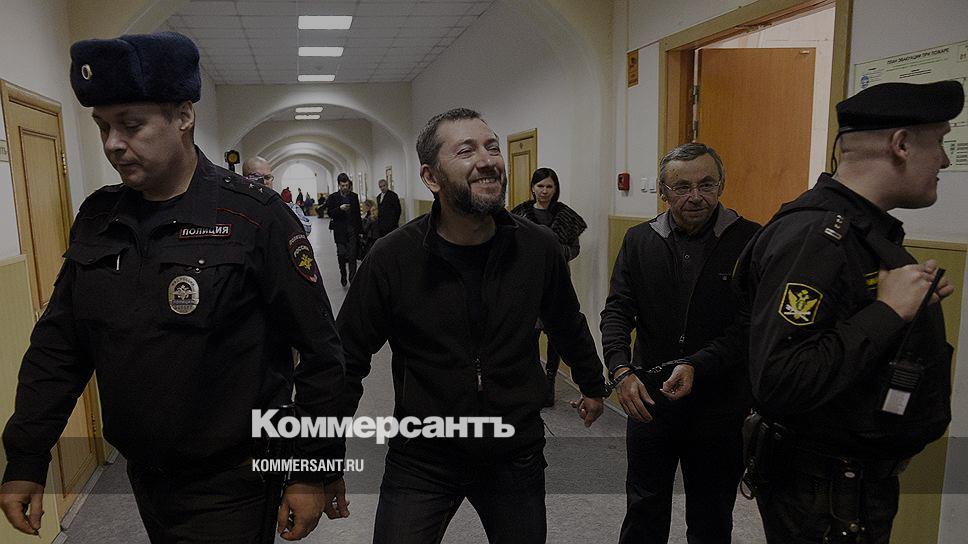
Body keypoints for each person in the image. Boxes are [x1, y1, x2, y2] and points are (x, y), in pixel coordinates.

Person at [0, 32, 349, 543]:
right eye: (103, 126)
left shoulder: (254, 217)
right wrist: (26, 456)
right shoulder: (99, 218)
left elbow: (322, 357)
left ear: (184, 116)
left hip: (234, 480)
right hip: (145, 476)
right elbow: (60, 347)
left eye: (131, 125)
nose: (113, 143)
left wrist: (310, 469)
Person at [337, 107, 608, 544]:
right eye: (466, 151)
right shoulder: (393, 258)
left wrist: (593, 383)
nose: (487, 160)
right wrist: (319, 463)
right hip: (422, 456)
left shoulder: (537, 247)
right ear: (431, 177)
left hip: (513, 452)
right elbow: (345, 359)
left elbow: (566, 320)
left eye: (492, 147)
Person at [740, 80, 962, 543]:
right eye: (939, 141)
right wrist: (888, 312)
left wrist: (907, 312)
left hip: (851, 486)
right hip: (827, 494)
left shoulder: (861, 230)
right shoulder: (817, 236)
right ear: (901, 144)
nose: (944, 160)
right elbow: (781, 379)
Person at [600, 143, 760, 543]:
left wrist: (697, 364)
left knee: (712, 518)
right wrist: (620, 370)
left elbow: (749, 326)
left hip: (719, 404)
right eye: (682, 187)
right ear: (662, 191)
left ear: (721, 185)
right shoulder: (639, 240)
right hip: (650, 401)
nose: (696, 196)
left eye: (707, 184)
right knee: (644, 510)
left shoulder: (750, 240)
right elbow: (617, 311)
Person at [511, 167, 588, 407]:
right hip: (530, 283)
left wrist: (556, 252)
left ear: (555, 189)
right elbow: (511, 247)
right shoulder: (519, 215)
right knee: (530, 333)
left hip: (558, 281)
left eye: (549, 186)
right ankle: (534, 379)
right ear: (533, 188)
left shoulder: (566, 216)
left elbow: (574, 249)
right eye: (540, 186)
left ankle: (550, 380)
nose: (544, 191)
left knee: (556, 333)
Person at [242, 155, 312, 234]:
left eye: (267, 177)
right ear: (244, 179)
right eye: (256, 177)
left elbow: (305, 229)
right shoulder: (238, 207)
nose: (264, 182)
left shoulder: (289, 208)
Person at [325, 173, 362, 286]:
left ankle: (353, 279)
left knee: (352, 256)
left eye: (346, 185)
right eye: (342, 185)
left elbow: (357, 215)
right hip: (340, 231)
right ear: (339, 185)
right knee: (341, 255)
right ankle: (343, 275)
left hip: (352, 230)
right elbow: (330, 213)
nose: (345, 187)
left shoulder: (354, 196)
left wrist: (360, 231)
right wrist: (340, 209)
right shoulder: (333, 197)